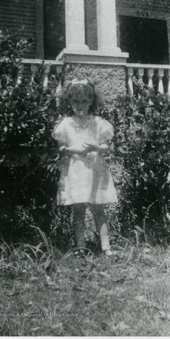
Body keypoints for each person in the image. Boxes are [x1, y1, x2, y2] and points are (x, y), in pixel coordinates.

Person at [52, 79, 118, 256]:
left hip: (94, 170)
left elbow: (106, 146)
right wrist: (71, 149)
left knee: (98, 209)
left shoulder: (98, 123)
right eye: (75, 101)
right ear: (70, 102)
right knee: (78, 209)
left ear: (91, 101)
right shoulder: (66, 124)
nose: (79, 105)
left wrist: (95, 147)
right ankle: (80, 246)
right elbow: (61, 147)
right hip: (76, 170)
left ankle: (106, 247)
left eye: (84, 101)